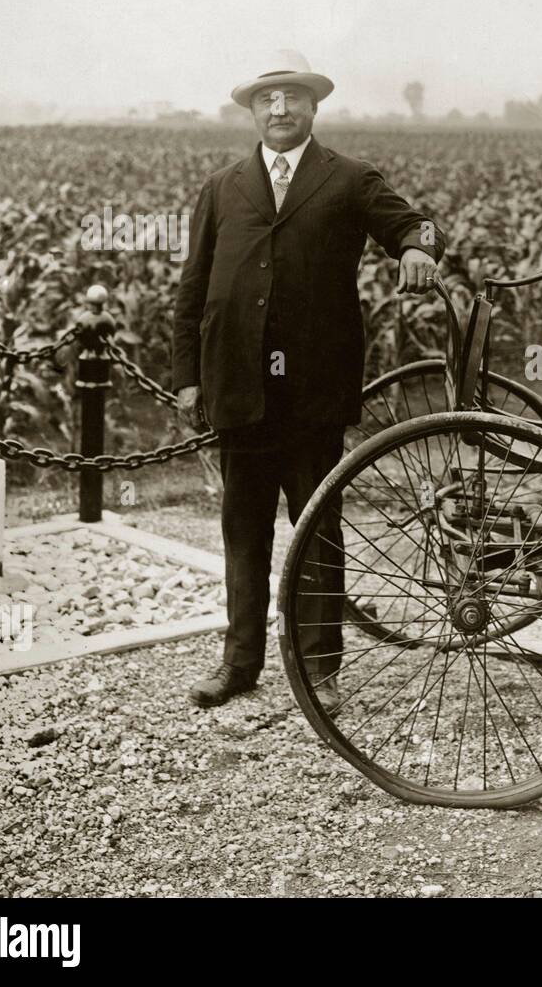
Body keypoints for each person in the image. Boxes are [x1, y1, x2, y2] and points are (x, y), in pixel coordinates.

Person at [171, 49, 444, 710]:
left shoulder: (349, 179)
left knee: (318, 528)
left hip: (313, 393)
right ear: (253, 111)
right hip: (238, 388)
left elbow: (416, 224)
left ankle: (322, 671)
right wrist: (187, 379)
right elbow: (193, 289)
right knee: (243, 528)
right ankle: (239, 665)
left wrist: (414, 248)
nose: (281, 108)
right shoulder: (222, 187)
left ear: (314, 107)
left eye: (292, 96)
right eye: (267, 99)